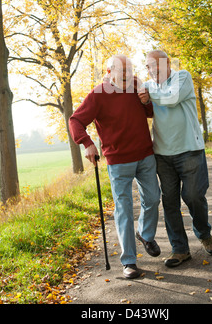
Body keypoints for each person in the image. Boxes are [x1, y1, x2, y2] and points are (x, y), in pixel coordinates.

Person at [69, 54, 161, 279]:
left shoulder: (137, 85)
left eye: (130, 70)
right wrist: (87, 143)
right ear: (109, 72)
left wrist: (146, 101)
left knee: (153, 198)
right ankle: (129, 262)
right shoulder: (99, 93)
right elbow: (75, 120)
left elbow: (150, 113)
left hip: (145, 155)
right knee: (124, 211)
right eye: (123, 71)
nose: (129, 75)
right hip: (118, 161)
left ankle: (145, 234)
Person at [138, 50, 212, 268]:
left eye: (153, 65)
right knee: (170, 202)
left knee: (193, 195)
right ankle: (180, 249)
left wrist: (148, 96)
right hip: (162, 154)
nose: (150, 70)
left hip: (189, 149)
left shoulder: (182, 77)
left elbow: (172, 99)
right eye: (147, 66)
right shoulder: (146, 86)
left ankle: (204, 234)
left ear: (166, 64)